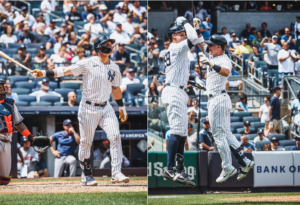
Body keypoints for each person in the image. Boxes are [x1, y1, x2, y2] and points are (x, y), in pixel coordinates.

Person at [32, 35, 130, 185]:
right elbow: (66, 70)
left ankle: (116, 173)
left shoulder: (115, 67)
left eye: (111, 44)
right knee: (86, 142)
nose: (110, 46)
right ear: (99, 48)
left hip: (106, 106)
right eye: (107, 43)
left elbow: (116, 89)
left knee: (115, 136)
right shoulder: (88, 63)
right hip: (88, 107)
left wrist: (121, 107)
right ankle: (86, 176)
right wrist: (44, 73)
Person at [198, 31, 254, 182]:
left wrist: (210, 64)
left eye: (211, 45)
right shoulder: (212, 55)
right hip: (216, 97)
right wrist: (196, 28)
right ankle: (244, 162)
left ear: (219, 47)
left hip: (218, 99)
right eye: (209, 45)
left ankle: (227, 167)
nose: (208, 47)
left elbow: (225, 72)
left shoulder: (224, 59)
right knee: (227, 133)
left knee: (218, 135)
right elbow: (199, 42)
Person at [160, 17, 205, 187]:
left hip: (179, 89)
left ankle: (179, 169)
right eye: (181, 34)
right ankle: (170, 168)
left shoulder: (177, 50)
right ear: (174, 37)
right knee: (176, 131)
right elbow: (194, 39)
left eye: (184, 34)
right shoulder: (177, 48)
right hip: (174, 91)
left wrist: (192, 80)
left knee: (181, 133)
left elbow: (196, 38)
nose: (184, 36)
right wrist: (187, 22)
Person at [0, 79, 36, 183]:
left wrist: (30, 136)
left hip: (7, 142)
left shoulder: (11, 104)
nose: (2, 89)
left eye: (2, 87)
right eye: (0, 87)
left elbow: (19, 124)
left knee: (5, 180)